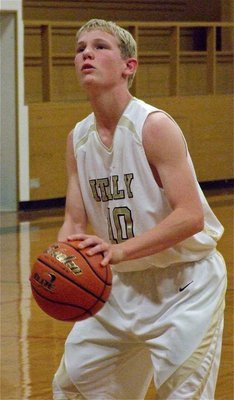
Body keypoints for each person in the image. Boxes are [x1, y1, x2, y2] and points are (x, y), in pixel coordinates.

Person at [52, 19, 227, 400]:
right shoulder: (77, 138)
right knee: (73, 389)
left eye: (100, 46)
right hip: (118, 287)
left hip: (184, 286)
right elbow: (75, 219)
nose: (86, 53)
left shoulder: (154, 126)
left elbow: (190, 216)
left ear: (129, 66)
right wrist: (63, 262)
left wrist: (119, 251)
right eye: (80, 48)